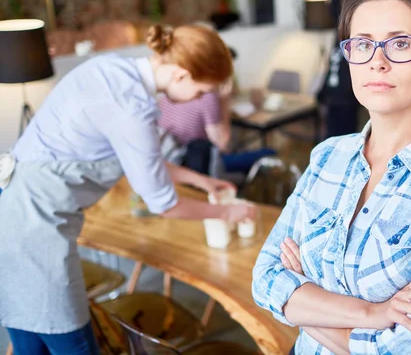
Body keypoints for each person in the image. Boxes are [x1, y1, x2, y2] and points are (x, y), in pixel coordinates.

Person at [252, 0, 411, 355]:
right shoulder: (328, 155)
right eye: (361, 44)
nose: (377, 62)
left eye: (400, 44)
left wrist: (302, 299)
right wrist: (373, 314)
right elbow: (264, 278)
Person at [0, 23, 256, 354]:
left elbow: (139, 158)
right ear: (180, 75)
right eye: (201, 91)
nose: (199, 99)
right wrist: (228, 211)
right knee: (73, 344)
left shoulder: (113, 68)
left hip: (12, 210)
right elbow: (164, 204)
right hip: (35, 229)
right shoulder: (133, 104)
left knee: (28, 341)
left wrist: (199, 180)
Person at [158, 49, 277, 176]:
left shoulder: (171, 91)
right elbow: (223, 145)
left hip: (168, 159)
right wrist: (224, 101)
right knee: (269, 153)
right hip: (194, 163)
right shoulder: (207, 96)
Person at [317, 0, 363, 138]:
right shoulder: (338, 32)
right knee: (331, 140)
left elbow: (341, 0)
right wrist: (323, 91)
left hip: (347, 99)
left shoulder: (353, 31)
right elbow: (333, 64)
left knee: (346, 140)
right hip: (333, 98)